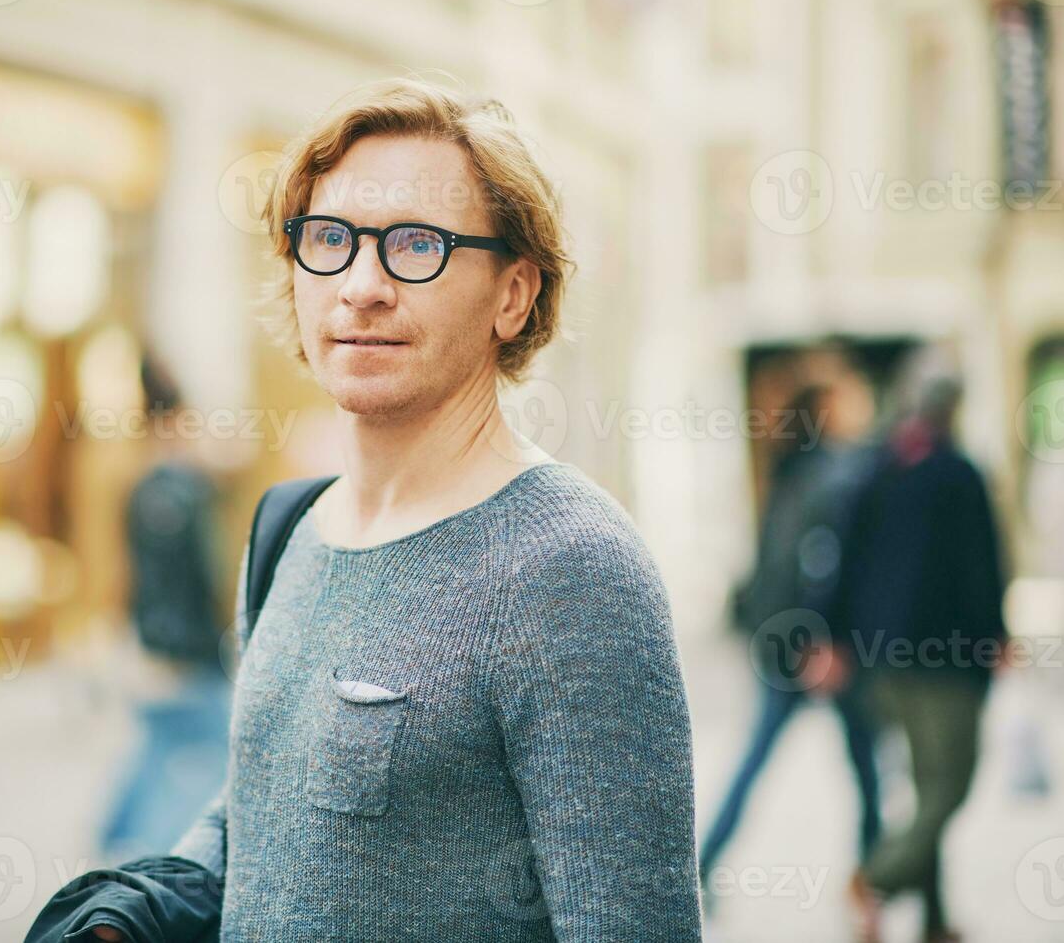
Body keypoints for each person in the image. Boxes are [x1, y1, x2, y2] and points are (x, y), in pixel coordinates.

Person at [81, 76, 701, 941]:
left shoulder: (571, 568)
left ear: (513, 295)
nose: (362, 285)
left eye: (416, 245)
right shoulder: (290, 529)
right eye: (329, 239)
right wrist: (131, 918)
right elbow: (261, 813)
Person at [836, 371, 1009, 943]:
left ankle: (932, 920)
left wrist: (845, 638)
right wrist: (997, 635)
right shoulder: (960, 474)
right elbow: (983, 565)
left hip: (886, 658)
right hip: (947, 660)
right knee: (948, 787)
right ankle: (875, 877)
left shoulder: (880, 470)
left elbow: (848, 559)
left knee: (925, 785)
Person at [700, 381, 881, 890]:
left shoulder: (791, 474)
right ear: (827, 416)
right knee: (864, 767)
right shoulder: (834, 475)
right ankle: (872, 880)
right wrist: (818, 643)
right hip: (816, 647)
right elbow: (818, 563)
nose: (859, 409)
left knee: (762, 758)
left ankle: (707, 861)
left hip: (784, 643)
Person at [95, 355, 233, 863]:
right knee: (220, 755)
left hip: (150, 647)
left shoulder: (136, 489)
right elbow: (208, 577)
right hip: (191, 651)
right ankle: (157, 857)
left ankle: (116, 842)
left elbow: (128, 574)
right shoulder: (189, 490)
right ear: (179, 420)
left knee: (156, 746)